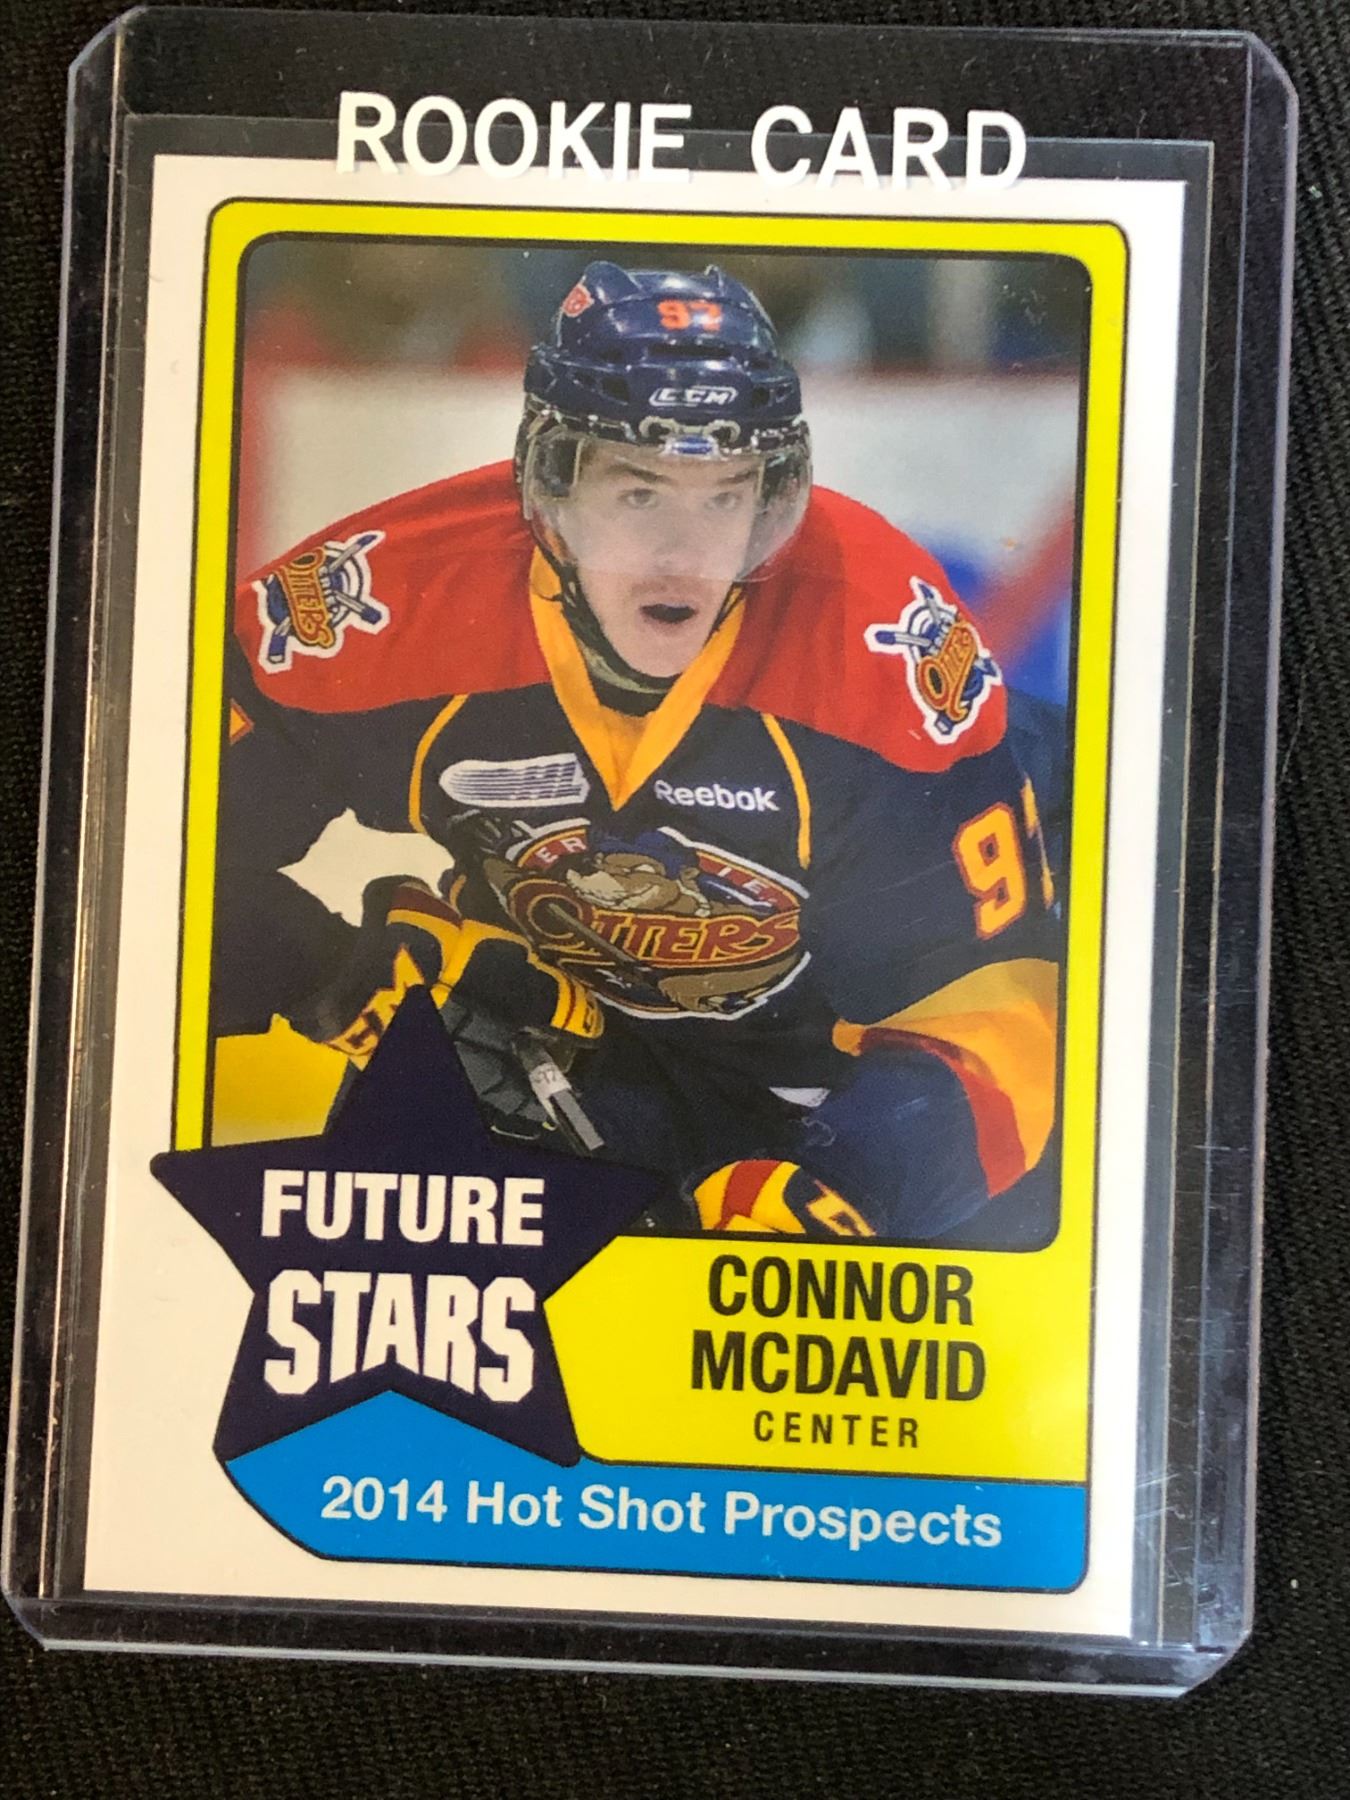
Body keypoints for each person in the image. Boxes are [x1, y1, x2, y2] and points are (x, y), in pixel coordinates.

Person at [217, 261, 1061, 1242]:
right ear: (551, 486)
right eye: (639, 493)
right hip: (563, 1055)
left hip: (847, 1092)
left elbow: (997, 1004)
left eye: (725, 497)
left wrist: (854, 1185)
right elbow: (154, 847)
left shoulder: (875, 645)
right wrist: (334, 972)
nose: (684, 555)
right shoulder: (389, 602)